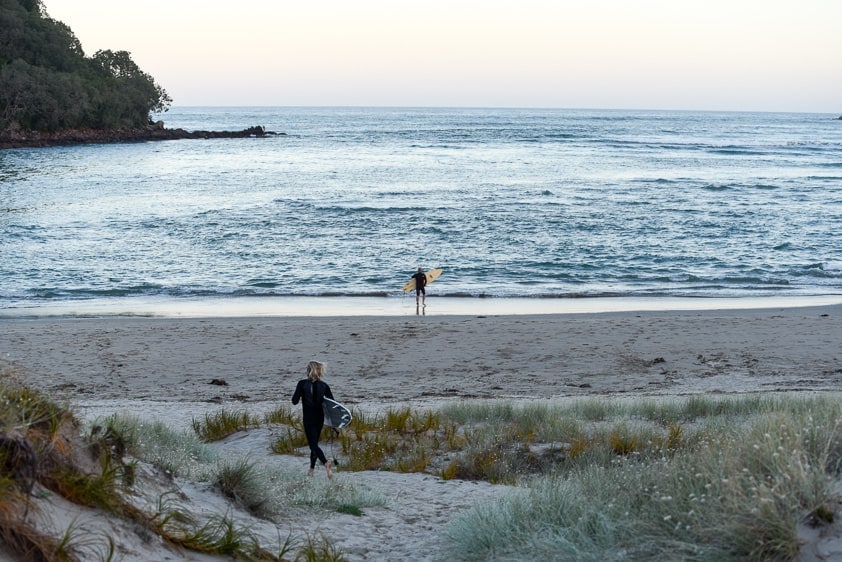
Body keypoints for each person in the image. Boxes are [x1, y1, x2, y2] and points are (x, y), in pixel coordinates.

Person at [291, 360, 334, 478]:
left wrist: (301, 394)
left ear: (308, 370)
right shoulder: (324, 386)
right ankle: (311, 469)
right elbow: (332, 405)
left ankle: (326, 463)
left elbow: (294, 401)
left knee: (313, 445)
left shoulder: (302, 384)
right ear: (319, 371)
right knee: (314, 443)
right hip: (320, 418)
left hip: (308, 418)